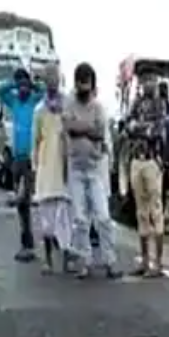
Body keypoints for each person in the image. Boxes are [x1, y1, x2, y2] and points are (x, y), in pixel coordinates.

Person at [63, 62, 119, 279]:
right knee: (80, 219)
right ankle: (84, 261)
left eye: (87, 83)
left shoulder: (98, 108)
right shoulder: (69, 105)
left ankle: (109, 261)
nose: (83, 88)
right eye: (80, 83)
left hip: (95, 169)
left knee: (103, 217)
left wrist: (82, 129)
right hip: (76, 167)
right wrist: (87, 130)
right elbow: (69, 128)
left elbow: (99, 133)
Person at [0, 68, 45, 262]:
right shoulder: (15, 102)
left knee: (26, 198)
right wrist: (16, 83)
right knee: (22, 205)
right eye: (20, 85)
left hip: (32, 159)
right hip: (17, 159)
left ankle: (35, 243)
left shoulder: (34, 101)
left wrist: (31, 83)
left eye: (26, 85)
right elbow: (0, 91)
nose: (24, 89)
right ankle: (27, 244)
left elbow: (42, 90)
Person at [125, 70, 169, 277]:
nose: (148, 83)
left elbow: (157, 131)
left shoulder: (160, 104)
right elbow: (127, 127)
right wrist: (142, 128)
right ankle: (144, 260)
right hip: (136, 160)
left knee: (155, 210)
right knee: (141, 211)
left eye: (151, 79)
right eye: (145, 79)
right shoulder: (136, 103)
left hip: (152, 161)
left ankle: (158, 263)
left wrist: (138, 127)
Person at [31, 64, 72, 273]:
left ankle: (66, 260)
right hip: (46, 169)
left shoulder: (68, 107)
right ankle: (48, 261)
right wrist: (34, 165)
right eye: (49, 78)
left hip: (65, 168)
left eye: (55, 77)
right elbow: (36, 141)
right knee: (46, 220)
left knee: (64, 218)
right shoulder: (39, 110)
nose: (52, 81)